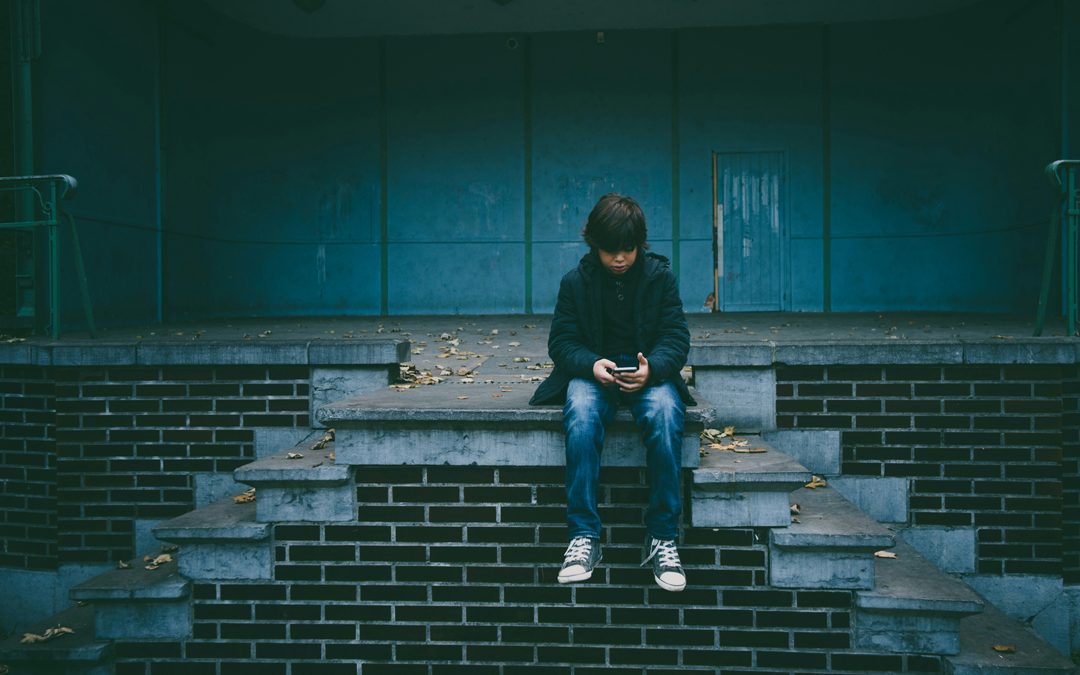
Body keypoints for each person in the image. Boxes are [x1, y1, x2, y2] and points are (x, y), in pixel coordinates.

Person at [529, 193, 694, 592]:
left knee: (666, 415)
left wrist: (652, 368)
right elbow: (562, 341)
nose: (619, 258)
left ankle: (662, 538)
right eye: (610, 250)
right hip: (594, 371)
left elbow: (676, 337)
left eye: (628, 249)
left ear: (640, 245)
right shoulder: (575, 282)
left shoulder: (659, 278)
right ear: (593, 244)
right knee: (581, 413)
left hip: (648, 372)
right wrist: (590, 365)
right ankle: (583, 537)